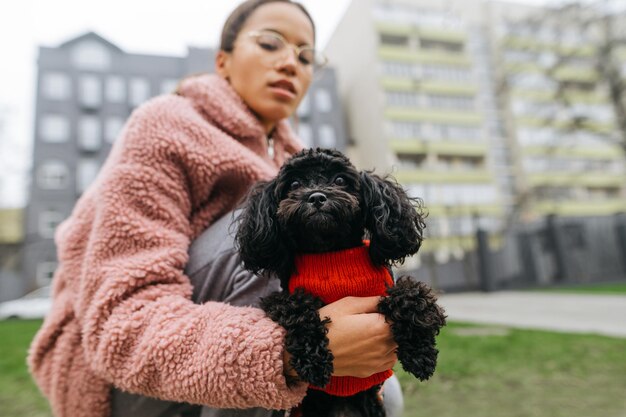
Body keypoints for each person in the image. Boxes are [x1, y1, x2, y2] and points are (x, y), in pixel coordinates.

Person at [28, 1, 400, 417]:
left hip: (219, 355)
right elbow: (124, 324)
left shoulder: (297, 161)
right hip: (111, 372)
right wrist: (286, 355)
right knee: (257, 227)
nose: (290, 63)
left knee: (388, 396)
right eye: (270, 43)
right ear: (223, 61)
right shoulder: (165, 125)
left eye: (306, 55)